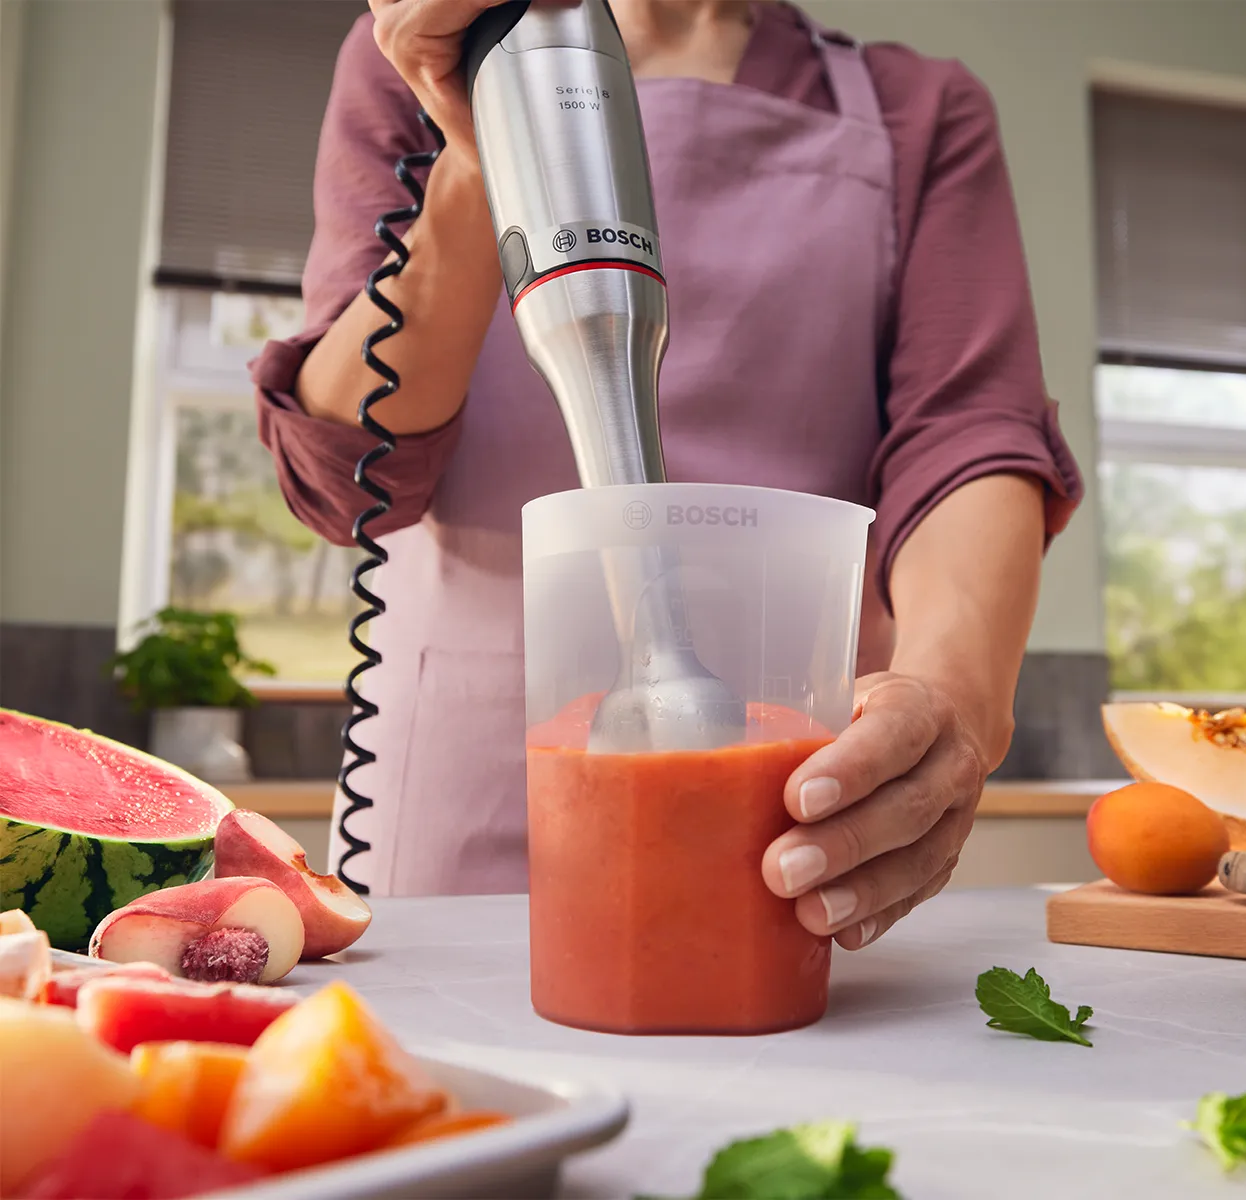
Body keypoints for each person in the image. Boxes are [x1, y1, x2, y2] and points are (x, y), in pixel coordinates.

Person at [253, 0, 1082, 952]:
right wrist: (484, 151)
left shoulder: (918, 106)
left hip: (792, 792)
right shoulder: (422, 44)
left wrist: (951, 701)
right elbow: (348, 477)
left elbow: (967, 434)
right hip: (471, 783)